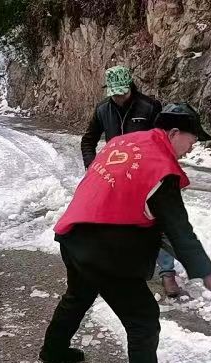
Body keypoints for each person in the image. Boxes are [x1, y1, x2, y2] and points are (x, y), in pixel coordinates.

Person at [40, 103, 211, 363]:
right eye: (192, 141)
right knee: (143, 317)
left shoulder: (124, 141)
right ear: (175, 132)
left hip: (74, 235)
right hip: (105, 250)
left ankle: (53, 351)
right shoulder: (161, 168)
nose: (192, 149)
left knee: (78, 296)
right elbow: (179, 229)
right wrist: (207, 272)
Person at [80, 65, 181, 297]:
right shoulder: (103, 109)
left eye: (122, 92)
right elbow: (88, 140)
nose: (118, 97)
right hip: (117, 177)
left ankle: (167, 273)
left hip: (147, 176)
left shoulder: (150, 107)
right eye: (114, 93)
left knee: (158, 220)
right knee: (122, 222)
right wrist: (92, 164)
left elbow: (164, 141)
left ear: (130, 87)